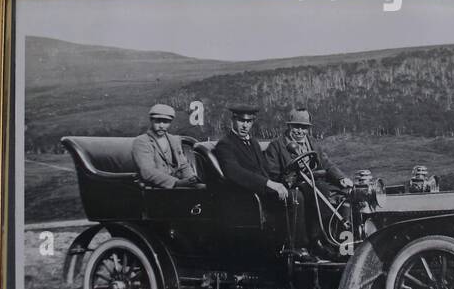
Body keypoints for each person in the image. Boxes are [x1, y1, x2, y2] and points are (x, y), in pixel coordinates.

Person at [214, 105, 308, 255]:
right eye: (241, 121)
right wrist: (269, 184)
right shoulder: (225, 145)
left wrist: (284, 181)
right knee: (297, 197)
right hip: (245, 198)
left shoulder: (253, 143)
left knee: (304, 190)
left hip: (262, 192)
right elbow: (235, 173)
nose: (245, 125)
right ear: (233, 120)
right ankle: (297, 248)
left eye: (249, 121)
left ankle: (314, 242)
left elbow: (265, 170)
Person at [267, 109, 351, 248]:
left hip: (314, 183)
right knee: (318, 189)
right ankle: (315, 241)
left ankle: (339, 238)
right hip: (292, 187)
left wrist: (341, 178)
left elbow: (326, 163)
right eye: (296, 127)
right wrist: (289, 177)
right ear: (289, 126)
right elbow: (273, 174)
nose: (300, 131)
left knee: (344, 193)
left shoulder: (312, 144)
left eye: (304, 127)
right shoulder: (276, 146)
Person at [132, 104, 199, 188]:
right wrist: (176, 183)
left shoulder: (174, 140)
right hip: (155, 188)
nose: (161, 125)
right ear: (151, 120)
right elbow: (147, 172)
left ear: (170, 122)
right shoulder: (142, 141)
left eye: (166, 122)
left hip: (177, 186)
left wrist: (191, 179)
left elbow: (183, 165)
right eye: (157, 121)